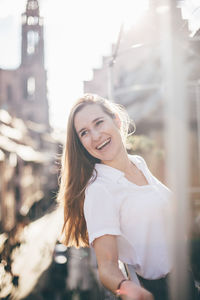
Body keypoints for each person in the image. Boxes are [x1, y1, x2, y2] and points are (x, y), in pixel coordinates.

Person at [57, 93, 195, 300]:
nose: (95, 136)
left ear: (116, 120)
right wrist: (126, 288)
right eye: (84, 132)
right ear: (81, 143)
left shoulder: (138, 163)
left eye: (99, 122)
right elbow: (107, 266)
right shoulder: (99, 190)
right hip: (157, 291)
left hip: (186, 279)